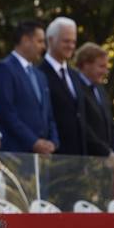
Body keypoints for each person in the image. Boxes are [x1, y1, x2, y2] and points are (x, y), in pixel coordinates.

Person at [0, 20, 58, 155]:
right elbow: (6, 113)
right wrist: (33, 142)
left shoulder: (40, 76)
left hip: (42, 157)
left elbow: (49, 114)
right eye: (40, 41)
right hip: (16, 154)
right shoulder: (4, 69)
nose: (43, 47)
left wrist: (53, 142)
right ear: (26, 40)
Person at [40, 16, 88, 157]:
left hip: (79, 158)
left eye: (73, 41)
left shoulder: (75, 76)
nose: (71, 46)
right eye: (66, 41)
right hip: (54, 156)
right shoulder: (39, 74)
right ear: (50, 40)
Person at [73, 42, 114, 158]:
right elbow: (83, 126)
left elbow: (110, 123)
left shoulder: (100, 89)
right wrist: (106, 152)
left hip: (107, 161)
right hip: (86, 160)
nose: (105, 72)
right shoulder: (75, 88)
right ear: (85, 64)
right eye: (101, 66)